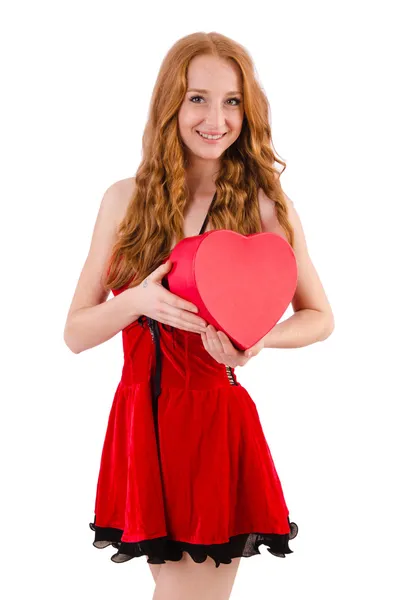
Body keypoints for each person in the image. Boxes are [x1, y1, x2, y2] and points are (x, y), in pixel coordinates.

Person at [64, 31, 334, 600]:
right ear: (171, 105)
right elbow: (76, 332)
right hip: (140, 422)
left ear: (248, 109)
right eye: (198, 98)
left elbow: (318, 316)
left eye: (233, 101)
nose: (217, 117)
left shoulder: (264, 203)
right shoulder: (123, 200)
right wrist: (136, 300)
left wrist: (258, 343)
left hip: (212, 423)